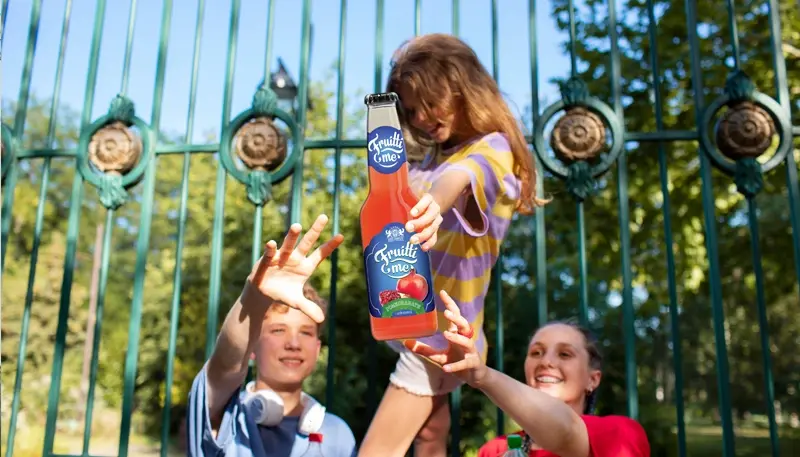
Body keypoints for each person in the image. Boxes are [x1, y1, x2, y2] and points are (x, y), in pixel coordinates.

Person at [358, 33, 546, 457]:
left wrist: (432, 204)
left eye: (430, 100)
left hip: (439, 336)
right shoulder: (432, 157)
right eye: (410, 109)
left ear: (464, 87)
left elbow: (461, 180)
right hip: (418, 324)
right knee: (430, 438)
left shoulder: (494, 149)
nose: (422, 116)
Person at [187, 215, 362, 457]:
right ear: (251, 347)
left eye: (306, 332)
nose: (293, 344)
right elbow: (225, 367)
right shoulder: (225, 415)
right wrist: (255, 298)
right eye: (278, 330)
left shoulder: (338, 434)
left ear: (318, 348)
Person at [406, 290, 651, 457]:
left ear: (593, 379)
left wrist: (484, 376)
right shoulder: (495, 450)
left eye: (565, 354)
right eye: (536, 352)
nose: (546, 361)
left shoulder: (619, 434)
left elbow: (566, 432)